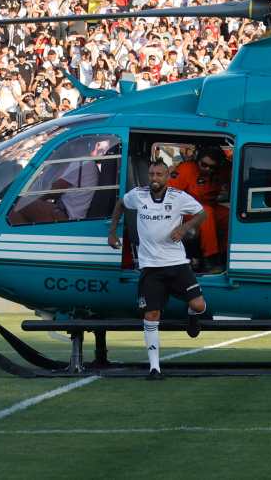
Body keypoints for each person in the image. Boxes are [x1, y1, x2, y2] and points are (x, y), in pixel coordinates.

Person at [108, 161, 208, 380]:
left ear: (167, 176)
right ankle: (155, 368)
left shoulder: (178, 197)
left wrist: (184, 227)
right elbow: (120, 204)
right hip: (151, 267)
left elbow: (201, 213)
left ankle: (192, 318)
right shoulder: (138, 195)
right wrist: (113, 231)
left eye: (159, 174)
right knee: (152, 315)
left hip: (177, 264)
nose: (154, 178)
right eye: (151, 173)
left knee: (199, 305)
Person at [169, 145, 230, 272]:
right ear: (198, 160)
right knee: (205, 212)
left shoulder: (224, 170)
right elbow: (170, 196)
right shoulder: (186, 169)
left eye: (212, 167)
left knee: (228, 215)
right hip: (185, 211)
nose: (208, 169)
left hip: (210, 206)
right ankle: (210, 259)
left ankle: (224, 255)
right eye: (204, 165)